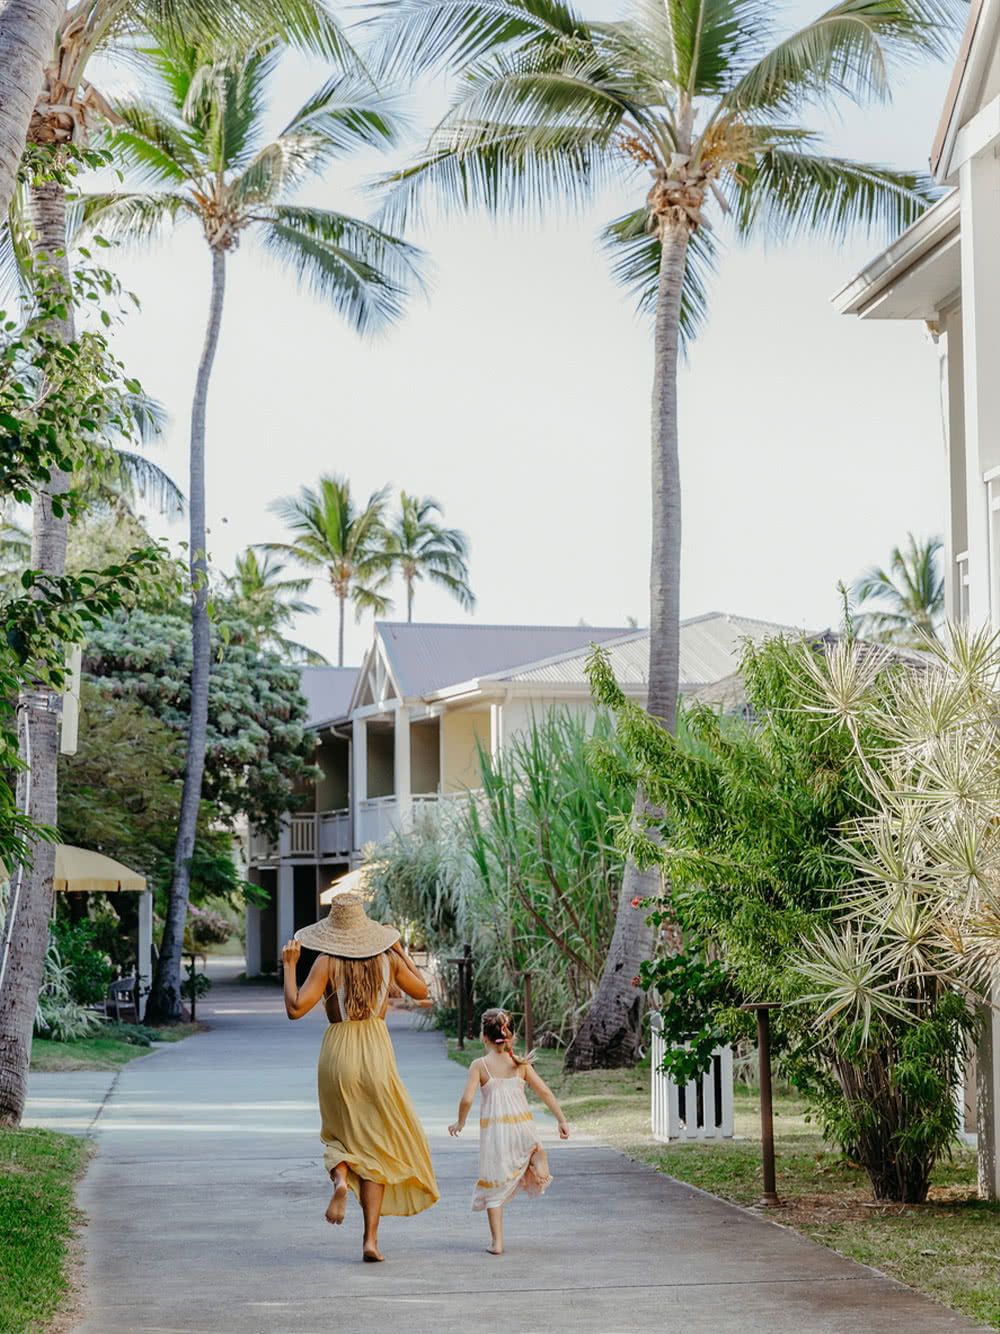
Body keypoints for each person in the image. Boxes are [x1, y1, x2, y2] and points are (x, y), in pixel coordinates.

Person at [282, 892, 439, 1262]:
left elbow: (295, 1009)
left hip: (338, 1053)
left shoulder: (325, 961)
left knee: (338, 1135)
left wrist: (290, 965)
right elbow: (423, 992)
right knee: (376, 1147)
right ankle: (370, 1241)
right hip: (377, 1054)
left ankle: (340, 1178)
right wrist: (399, 950)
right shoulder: (387, 960)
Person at [449, 1006, 570, 1255]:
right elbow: (544, 1091)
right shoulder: (520, 1064)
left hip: (496, 1134)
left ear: (483, 1037)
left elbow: (467, 1099)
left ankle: (497, 1243)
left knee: (494, 1187)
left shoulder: (479, 1066)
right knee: (529, 1148)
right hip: (523, 1128)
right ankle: (536, 1155)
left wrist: (460, 1122)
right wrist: (561, 1119)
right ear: (511, 1036)